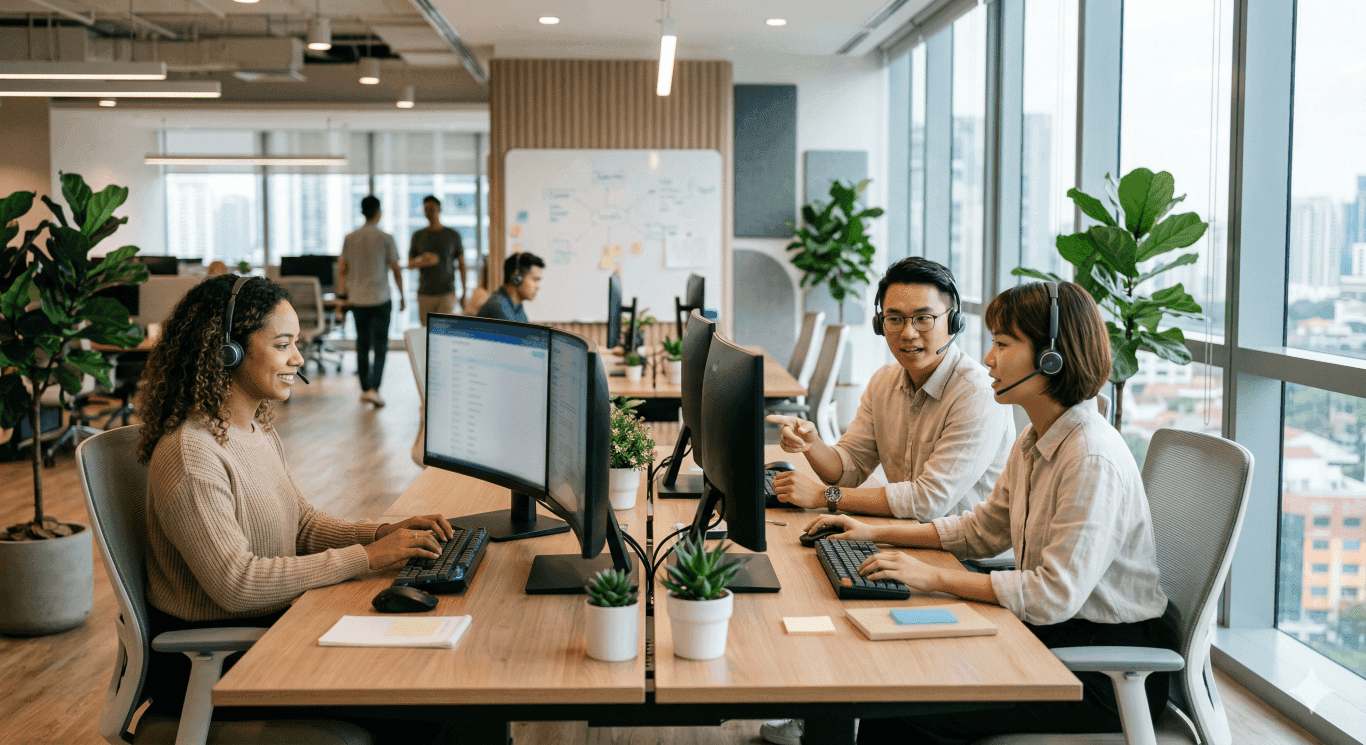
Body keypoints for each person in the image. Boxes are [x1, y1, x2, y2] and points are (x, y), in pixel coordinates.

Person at [805, 281, 1178, 745]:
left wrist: (934, 578)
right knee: (895, 664)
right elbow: (982, 530)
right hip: (1053, 636)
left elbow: (1051, 595)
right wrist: (879, 534)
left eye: (1003, 345)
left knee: (905, 702)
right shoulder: (1036, 438)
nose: (988, 359)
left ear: (1051, 358)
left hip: (1103, 670)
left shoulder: (1089, 457)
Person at [134, 274, 454, 741]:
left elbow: (301, 525)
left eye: (296, 343)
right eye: (283, 344)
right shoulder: (192, 454)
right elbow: (236, 584)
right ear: (227, 350)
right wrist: (364, 559)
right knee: (422, 704)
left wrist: (380, 533)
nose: (298, 359)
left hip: (267, 631)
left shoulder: (254, 430)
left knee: (425, 683)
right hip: (218, 665)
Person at [764, 257, 1013, 519]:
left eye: (924, 318)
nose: (908, 333)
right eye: (895, 319)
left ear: (954, 322)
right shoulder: (885, 381)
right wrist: (812, 444)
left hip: (960, 557)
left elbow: (927, 501)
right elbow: (848, 470)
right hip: (906, 534)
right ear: (880, 324)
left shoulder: (976, 394)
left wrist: (823, 497)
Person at [338, 195, 405, 407]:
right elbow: (395, 269)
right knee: (380, 345)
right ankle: (375, 389)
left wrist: (342, 298)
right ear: (378, 213)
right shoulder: (386, 237)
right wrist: (403, 295)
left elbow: (342, 269)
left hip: (357, 300)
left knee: (362, 343)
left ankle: (365, 388)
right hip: (380, 299)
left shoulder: (350, 238)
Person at [408, 195, 467, 325]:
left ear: (439, 209)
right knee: (426, 332)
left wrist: (464, 292)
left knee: (444, 332)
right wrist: (421, 261)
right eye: (426, 209)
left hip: (447, 292)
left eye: (432, 208)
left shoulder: (452, 235)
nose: (429, 212)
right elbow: (410, 264)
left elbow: (462, 264)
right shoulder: (418, 235)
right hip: (425, 293)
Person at [476, 251, 544, 323]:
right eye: (535, 280)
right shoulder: (499, 307)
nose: (538, 287)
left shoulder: (517, 307)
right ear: (517, 279)